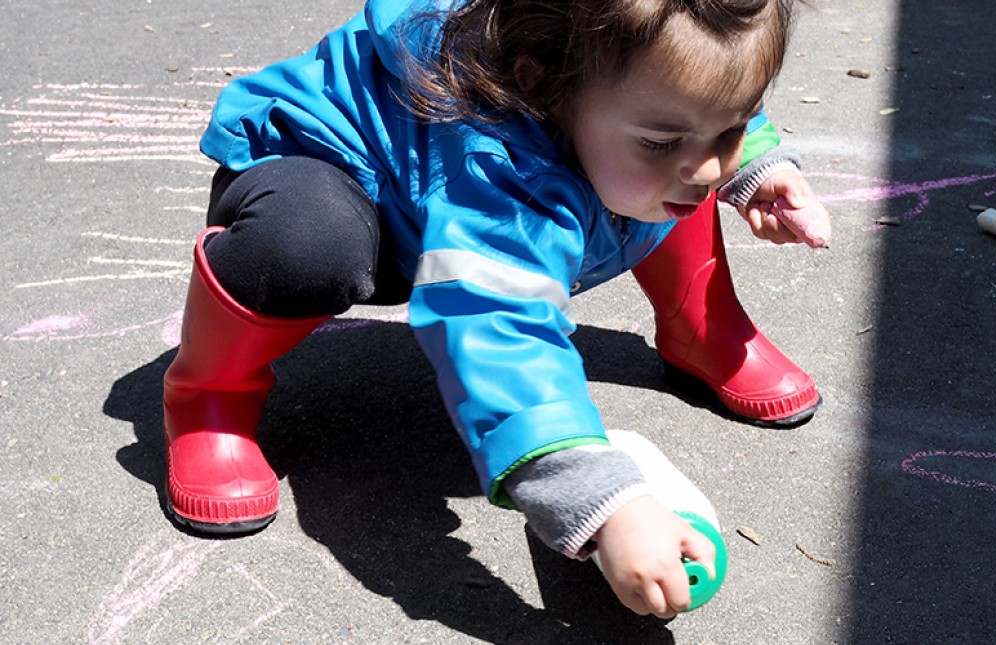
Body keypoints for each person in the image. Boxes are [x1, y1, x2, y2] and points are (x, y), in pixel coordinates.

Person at [163, 0, 829, 617]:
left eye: (732, 125)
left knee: (662, 179)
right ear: (541, 84)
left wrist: (758, 165)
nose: (712, 165)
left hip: (495, 172)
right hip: (336, 177)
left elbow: (691, 97)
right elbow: (497, 325)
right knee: (306, 246)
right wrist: (602, 500)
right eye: (661, 137)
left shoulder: (638, 96)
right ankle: (207, 391)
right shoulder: (500, 168)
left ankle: (698, 324)